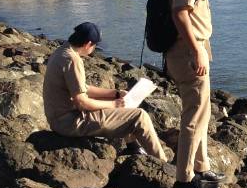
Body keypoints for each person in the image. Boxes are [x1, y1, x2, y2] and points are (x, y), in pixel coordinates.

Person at [165, 0, 229, 188]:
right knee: (194, 115)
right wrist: (197, 50)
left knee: (201, 112)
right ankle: (185, 179)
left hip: (191, 52)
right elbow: (181, 15)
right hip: (189, 54)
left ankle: (200, 167)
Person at [43, 21, 168, 159]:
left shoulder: (62, 51)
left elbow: (83, 88)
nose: (94, 49)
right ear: (88, 44)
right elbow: (81, 102)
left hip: (59, 118)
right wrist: (114, 104)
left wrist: (115, 94)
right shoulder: (72, 60)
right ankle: (162, 162)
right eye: (95, 46)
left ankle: (133, 146)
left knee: (119, 102)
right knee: (140, 116)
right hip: (69, 122)